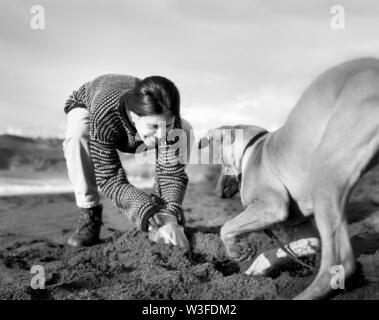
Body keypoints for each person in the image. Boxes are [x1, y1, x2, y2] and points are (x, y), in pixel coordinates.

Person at [63, 74, 192, 248]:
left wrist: (168, 213)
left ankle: (161, 214)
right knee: (78, 133)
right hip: (91, 106)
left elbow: (171, 172)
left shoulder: (171, 120)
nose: (161, 135)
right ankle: (89, 212)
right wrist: (141, 206)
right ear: (134, 116)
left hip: (137, 124)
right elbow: (108, 176)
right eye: (154, 126)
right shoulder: (105, 114)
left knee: (185, 129)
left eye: (167, 125)